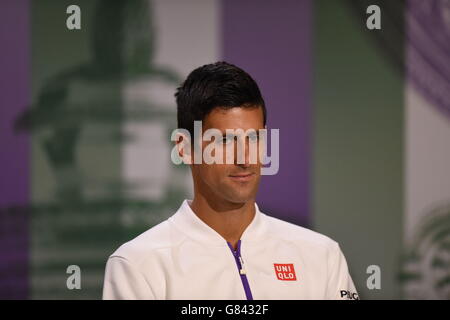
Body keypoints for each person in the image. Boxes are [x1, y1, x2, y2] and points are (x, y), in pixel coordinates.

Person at [102, 61, 358, 300]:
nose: (245, 158)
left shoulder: (321, 256)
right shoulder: (139, 264)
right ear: (184, 147)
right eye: (224, 140)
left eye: (254, 138)